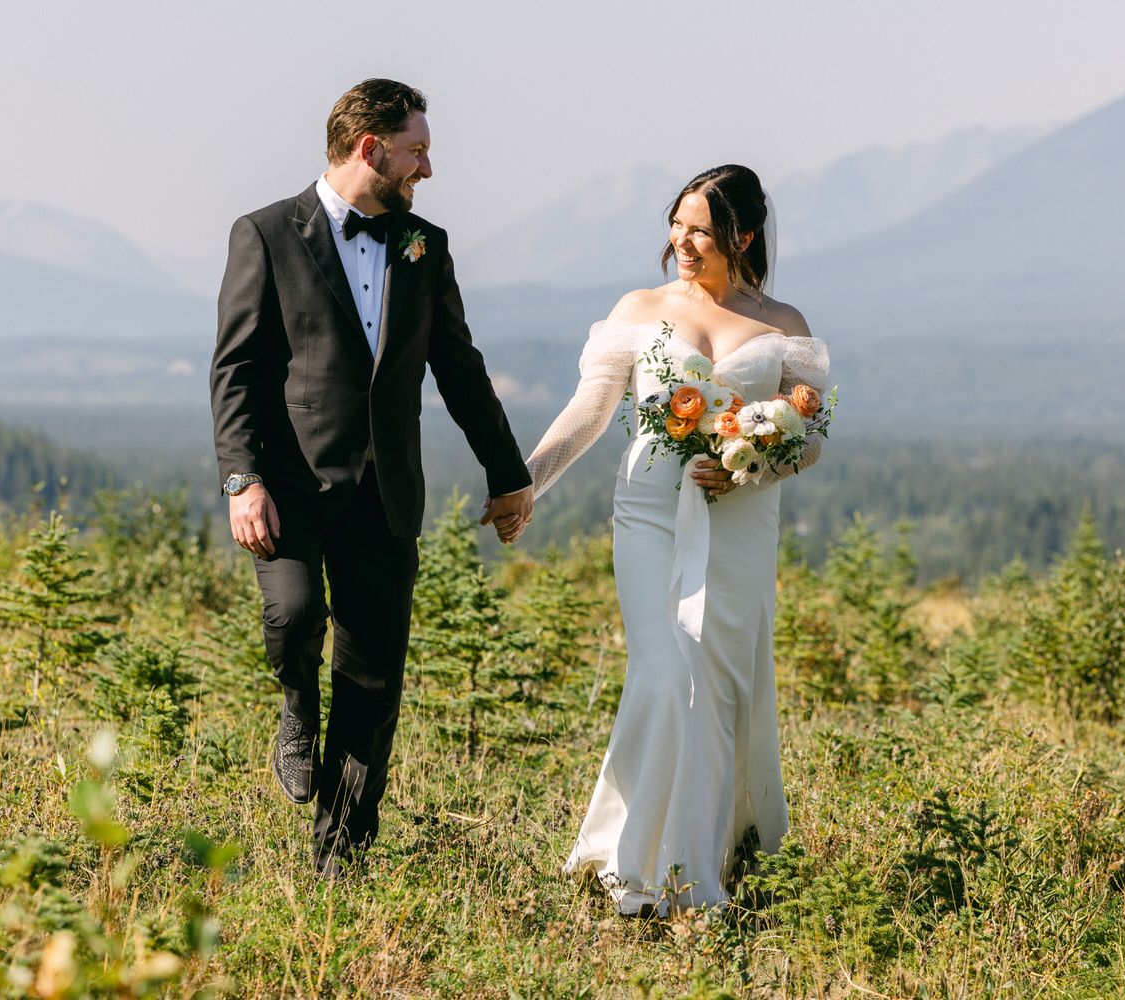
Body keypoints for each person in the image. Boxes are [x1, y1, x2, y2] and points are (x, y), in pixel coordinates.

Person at [209, 79, 535, 875]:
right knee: (292, 618)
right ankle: (294, 707)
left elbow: (459, 367)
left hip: (386, 495)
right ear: (371, 148)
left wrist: (508, 472)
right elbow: (237, 369)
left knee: (373, 678)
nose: (428, 166)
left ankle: (340, 859)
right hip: (286, 488)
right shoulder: (263, 233)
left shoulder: (427, 244)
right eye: (418, 149)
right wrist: (242, 478)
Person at [524, 164, 829, 915]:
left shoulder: (784, 322)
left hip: (739, 527)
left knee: (717, 688)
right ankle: (635, 860)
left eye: (701, 229)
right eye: (677, 224)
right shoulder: (640, 307)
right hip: (651, 514)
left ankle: (702, 861)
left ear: (743, 237)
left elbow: (812, 437)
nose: (682, 242)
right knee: (666, 674)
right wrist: (527, 483)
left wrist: (751, 466)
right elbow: (591, 411)